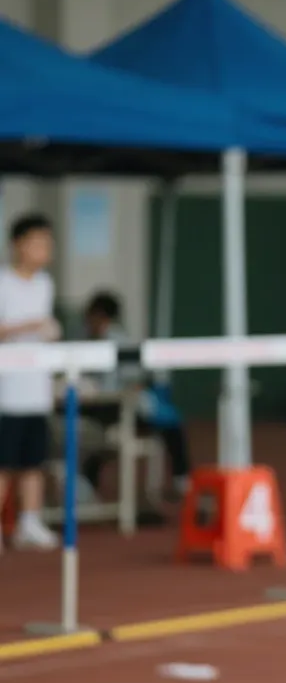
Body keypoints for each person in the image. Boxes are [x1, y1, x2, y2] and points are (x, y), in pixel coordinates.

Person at [79, 291, 192, 502]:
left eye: (90, 315)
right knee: (95, 439)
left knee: (170, 425)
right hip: (97, 406)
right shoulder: (85, 338)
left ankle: (182, 479)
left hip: (121, 406)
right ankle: (86, 483)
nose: (87, 320)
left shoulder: (120, 341)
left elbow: (134, 381)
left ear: (100, 315)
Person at [0, 213, 62, 553]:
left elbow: (45, 333)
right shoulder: (3, 282)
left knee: (33, 463)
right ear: (19, 244)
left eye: (47, 243)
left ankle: (30, 523)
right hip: (6, 392)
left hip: (36, 391)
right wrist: (27, 325)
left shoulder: (45, 285)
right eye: (37, 242)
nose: (44, 249)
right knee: (3, 464)